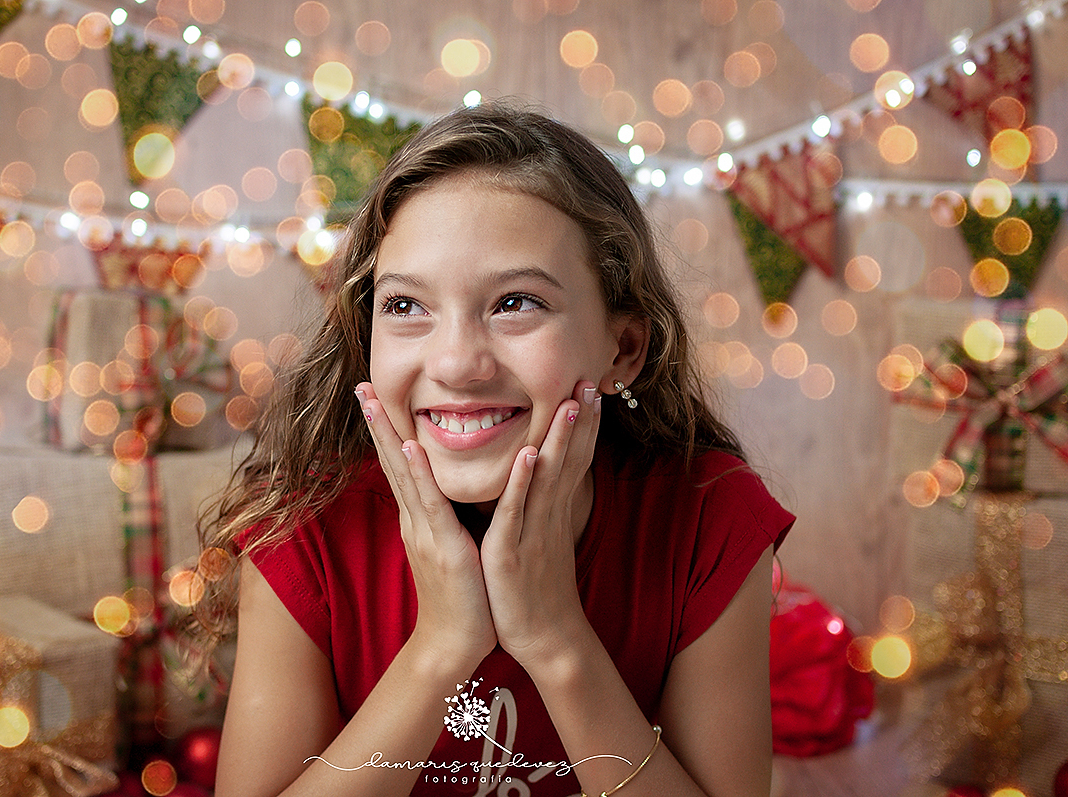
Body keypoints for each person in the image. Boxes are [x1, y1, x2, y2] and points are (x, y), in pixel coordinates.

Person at [200, 101, 794, 797]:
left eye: (516, 303)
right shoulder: (304, 525)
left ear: (623, 348)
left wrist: (554, 636)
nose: (455, 362)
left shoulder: (707, 516)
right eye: (405, 306)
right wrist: (442, 645)